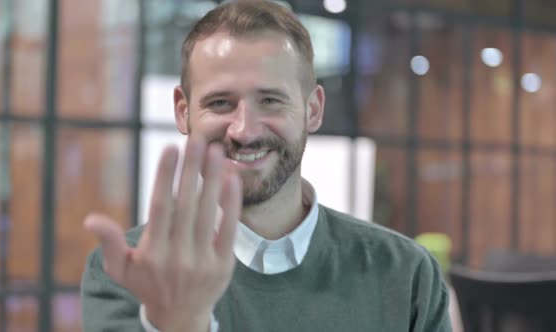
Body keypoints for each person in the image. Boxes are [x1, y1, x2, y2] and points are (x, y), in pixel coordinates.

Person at [81, 1, 452, 331]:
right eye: (221, 103)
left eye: (271, 101)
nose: (244, 131)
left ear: (313, 110)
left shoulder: (405, 275)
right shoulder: (128, 273)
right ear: (182, 110)